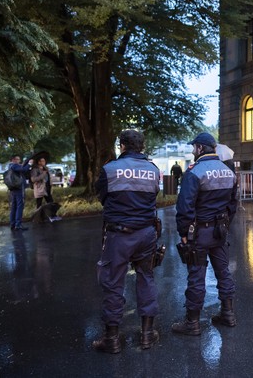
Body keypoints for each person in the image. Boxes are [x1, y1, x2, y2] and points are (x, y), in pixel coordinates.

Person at [93, 129, 162, 354]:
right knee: (146, 277)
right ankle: (147, 335)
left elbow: (103, 197)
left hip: (119, 235)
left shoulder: (109, 169)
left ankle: (111, 339)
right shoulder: (153, 170)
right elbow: (153, 196)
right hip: (146, 233)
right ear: (142, 146)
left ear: (121, 145)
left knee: (113, 282)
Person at [172, 132, 238, 336]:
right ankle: (228, 314)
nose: (192, 151)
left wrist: (184, 232)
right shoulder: (228, 171)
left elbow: (185, 207)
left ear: (200, 148)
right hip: (220, 231)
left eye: (194, 147)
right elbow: (233, 204)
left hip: (199, 233)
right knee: (223, 272)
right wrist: (225, 225)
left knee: (196, 276)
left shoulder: (194, 172)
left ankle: (192, 323)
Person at [7, 155, 33, 231]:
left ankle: (13, 224)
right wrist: (30, 164)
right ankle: (18, 225)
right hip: (18, 188)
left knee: (14, 206)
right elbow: (24, 170)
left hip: (13, 189)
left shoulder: (10, 166)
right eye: (18, 159)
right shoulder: (14, 165)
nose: (19, 161)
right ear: (14, 160)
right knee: (19, 206)